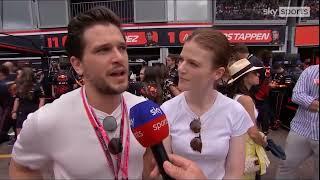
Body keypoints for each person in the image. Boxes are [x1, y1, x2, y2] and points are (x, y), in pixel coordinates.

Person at [9, 7, 150, 179]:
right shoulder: (46, 120)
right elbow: (23, 169)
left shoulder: (144, 111)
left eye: (122, 48)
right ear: (77, 65)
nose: (118, 57)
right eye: (103, 50)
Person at [160, 28, 253, 179]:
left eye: (193, 64)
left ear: (217, 73)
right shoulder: (167, 110)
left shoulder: (234, 111)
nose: (181, 69)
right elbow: (164, 168)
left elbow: (234, 173)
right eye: (181, 60)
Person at [226, 59, 270, 179]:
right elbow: (252, 132)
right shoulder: (246, 100)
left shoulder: (236, 97)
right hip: (245, 147)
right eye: (254, 73)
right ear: (245, 77)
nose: (258, 74)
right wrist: (264, 143)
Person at [276, 65, 319, 180]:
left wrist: (312, 103)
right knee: (286, 165)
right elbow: (297, 95)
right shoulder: (311, 71)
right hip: (301, 129)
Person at [11, 67, 45, 136]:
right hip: (24, 111)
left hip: (31, 111)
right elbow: (17, 99)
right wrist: (14, 111)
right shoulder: (19, 86)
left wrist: (40, 110)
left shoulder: (37, 85)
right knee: (21, 130)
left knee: (30, 131)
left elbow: (42, 99)